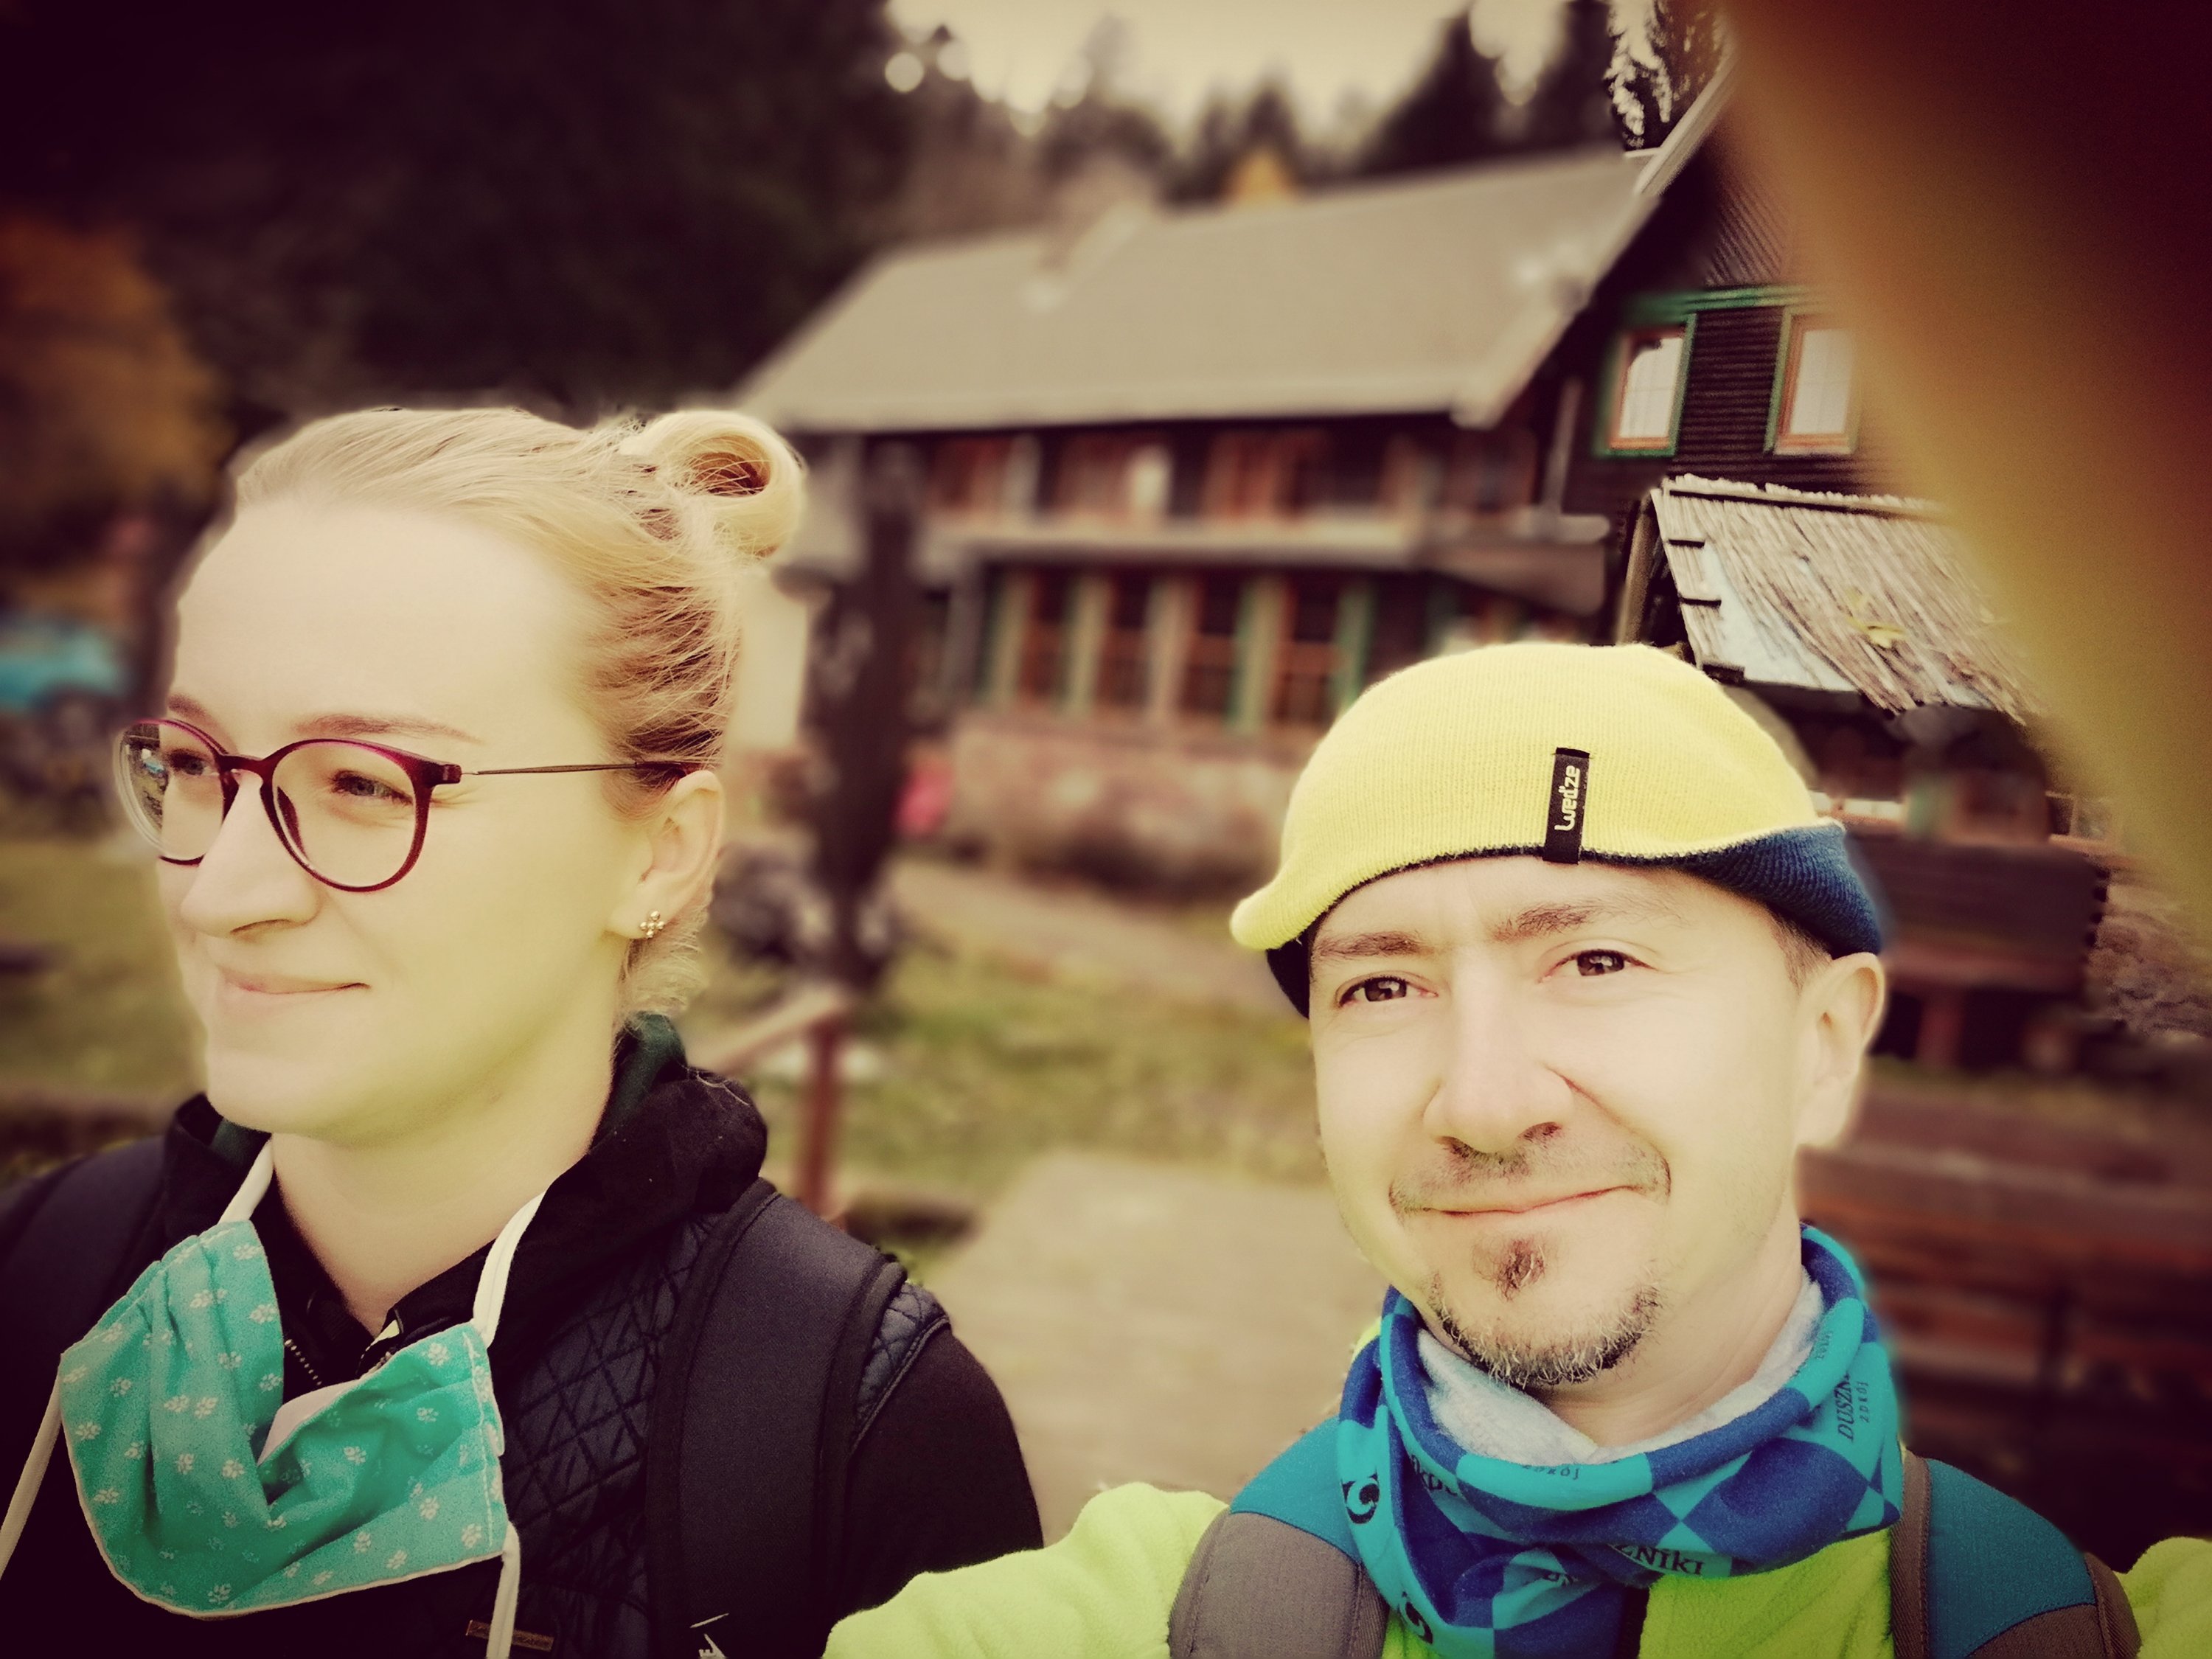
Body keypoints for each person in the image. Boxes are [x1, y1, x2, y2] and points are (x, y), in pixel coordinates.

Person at [824, 643, 2212, 1659]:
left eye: (1596, 959)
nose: (1484, 1102)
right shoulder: (1120, 1622)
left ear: (1825, 1045)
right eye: (1383, 984)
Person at [0, 407, 1040, 1658]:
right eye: (194, 765)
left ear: (660, 854)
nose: (220, 892)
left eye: (367, 783)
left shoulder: (858, 1439)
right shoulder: (38, 1275)